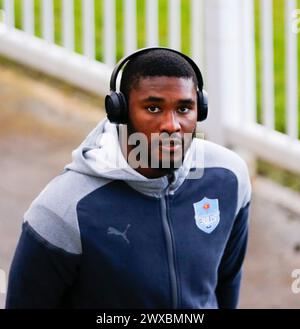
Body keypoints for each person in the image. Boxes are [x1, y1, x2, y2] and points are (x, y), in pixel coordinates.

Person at [6, 47, 251, 309]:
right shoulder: (62, 209)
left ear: (199, 109)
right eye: (154, 108)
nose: (172, 125)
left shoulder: (228, 177)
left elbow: (227, 282)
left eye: (184, 108)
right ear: (120, 111)